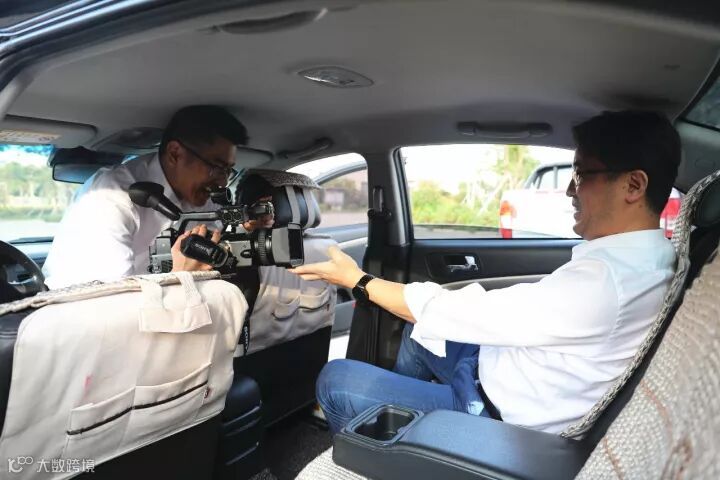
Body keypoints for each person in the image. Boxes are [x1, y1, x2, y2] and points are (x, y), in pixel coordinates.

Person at [289, 110, 682, 434]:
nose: (569, 190)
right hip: (497, 371)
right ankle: (397, 429)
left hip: (490, 415)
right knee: (421, 331)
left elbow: (470, 312)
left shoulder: (606, 284)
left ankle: (394, 445)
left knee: (336, 381)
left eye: (581, 174)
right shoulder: (646, 260)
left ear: (633, 185)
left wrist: (357, 281)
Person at [43, 105, 248, 288]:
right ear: (175, 153)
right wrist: (180, 278)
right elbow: (113, 300)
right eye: (216, 167)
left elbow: (217, 240)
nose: (222, 182)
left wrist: (243, 233)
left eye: (227, 171)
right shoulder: (111, 198)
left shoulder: (202, 195)